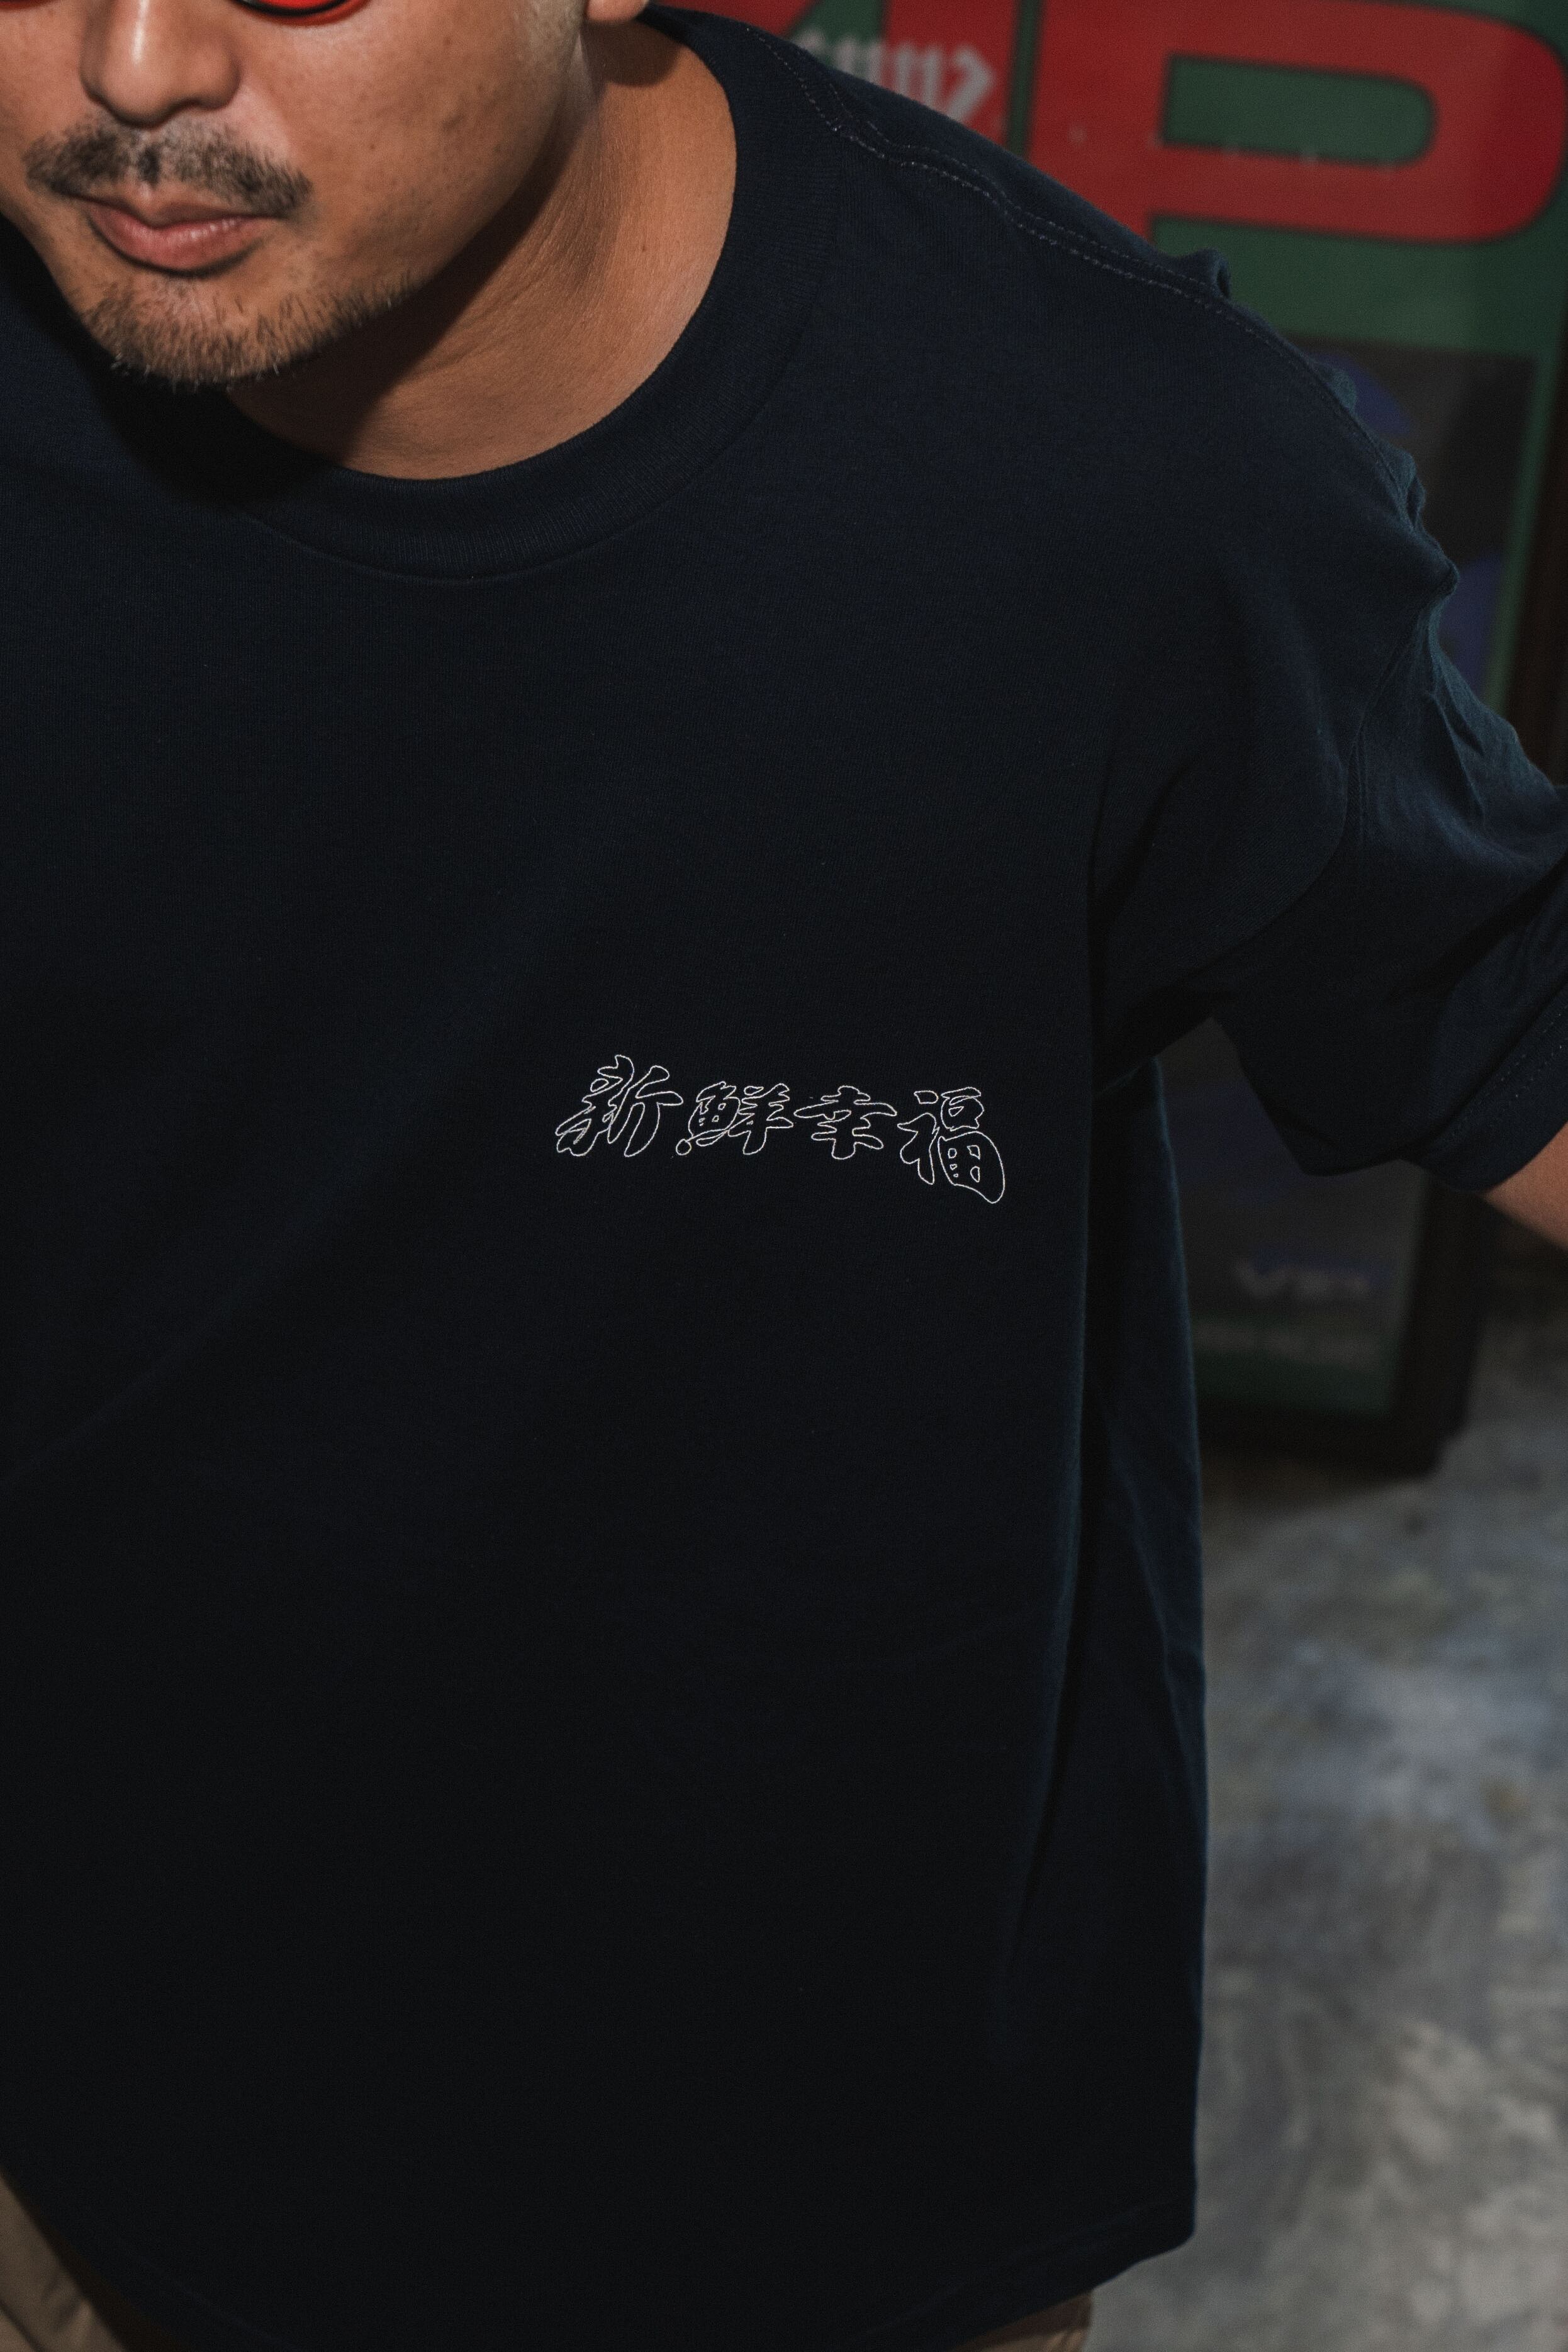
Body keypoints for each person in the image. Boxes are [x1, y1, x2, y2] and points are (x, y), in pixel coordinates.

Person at [0, 2, 1565, 2348]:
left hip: (811, 2204)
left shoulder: (1104, 471)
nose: (130, 64)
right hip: (88, 2136)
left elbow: (1514, 1013)